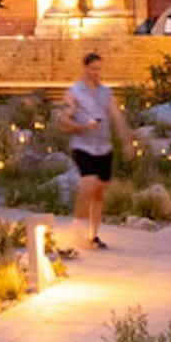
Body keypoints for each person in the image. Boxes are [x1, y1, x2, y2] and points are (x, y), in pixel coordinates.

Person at [57, 51, 131, 251]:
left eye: (99, 68)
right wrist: (81, 127)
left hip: (103, 146)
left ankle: (93, 235)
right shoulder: (75, 93)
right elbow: (63, 120)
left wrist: (126, 141)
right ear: (86, 68)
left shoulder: (106, 92)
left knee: (98, 191)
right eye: (93, 68)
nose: (97, 72)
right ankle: (77, 230)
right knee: (88, 184)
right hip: (83, 145)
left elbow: (116, 116)